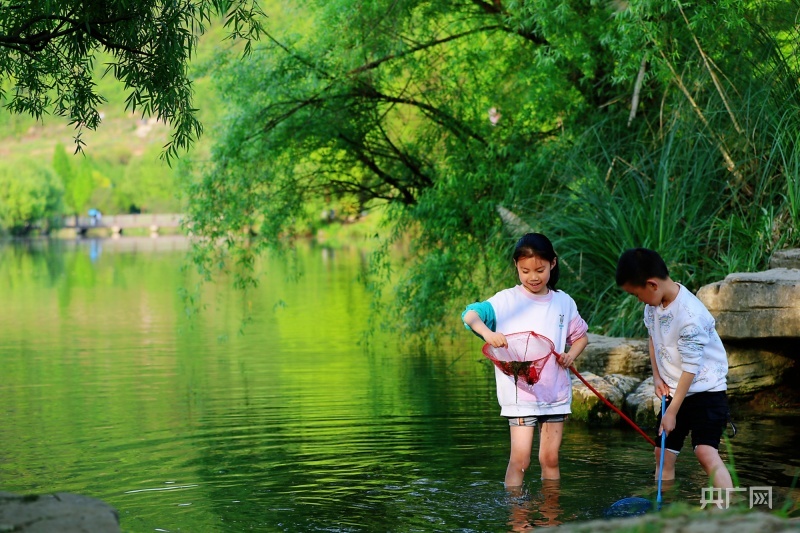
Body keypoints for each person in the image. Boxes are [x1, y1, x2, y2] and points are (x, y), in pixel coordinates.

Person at [462, 233, 589, 487]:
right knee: (520, 460)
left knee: (550, 459)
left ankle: (552, 519)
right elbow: (470, 315)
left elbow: (581, 337)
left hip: (555, 394)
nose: (533, 277)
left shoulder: (563, 302)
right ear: (516, 268)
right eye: (525, 270)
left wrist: (570, 355)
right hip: (520, 396)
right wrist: (488, 334)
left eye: (540, 270)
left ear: (552, 264)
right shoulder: (505, 301)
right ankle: (518, 521)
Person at [615, 248, 733, 490]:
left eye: (636, 294)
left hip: (706, 393)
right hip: (674, 392)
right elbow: (653, 337)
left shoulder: (690, 316)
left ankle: (730, 508)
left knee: (705, 452)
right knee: (662, 455)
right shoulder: (653, 305)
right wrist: (657, 377)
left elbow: (691, 367)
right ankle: (666, 509)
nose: (638, 300)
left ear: (651, 284)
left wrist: (671, 413)